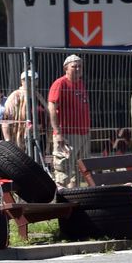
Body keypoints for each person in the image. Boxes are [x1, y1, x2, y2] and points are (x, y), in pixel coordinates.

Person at [48, 53, 91, 188]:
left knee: (79, 173)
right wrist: (58, 133)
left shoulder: (81, 83)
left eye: (80, 66)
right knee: (63, 172)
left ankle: (75, 197)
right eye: (74, 66)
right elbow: (52, 108)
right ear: (66, 68)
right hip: (67, 134)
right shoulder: (60, 83)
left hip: (83, 134)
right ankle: (60, 198)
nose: (78, 69)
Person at [2, 71, 48, 150]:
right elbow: (5, 119)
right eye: (26, 79)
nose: (29, 82)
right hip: (22, 138)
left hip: (40, 137)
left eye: (32, 79)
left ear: (36, 81)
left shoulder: (38, 96)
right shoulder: (15, 96)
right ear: (21, 81)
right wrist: (8, 140)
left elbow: (48, 112)